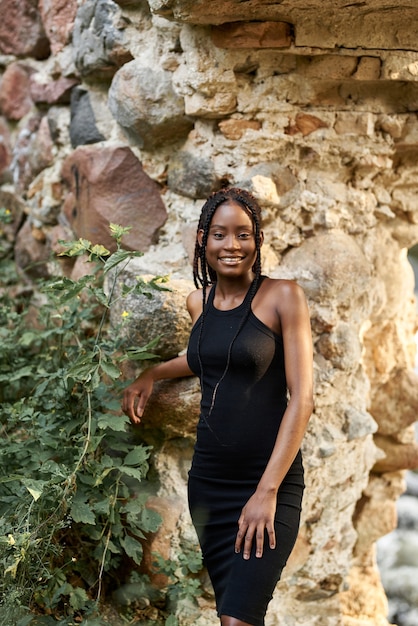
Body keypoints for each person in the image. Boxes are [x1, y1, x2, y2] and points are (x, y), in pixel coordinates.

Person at [122, 187, 313, 626]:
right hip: (209, 481)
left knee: (238, 619)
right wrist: (152, 374)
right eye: (220, 235)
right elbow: (204, 355)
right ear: (203, 241)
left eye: (243, 235)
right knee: (232, 614)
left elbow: (303, 398)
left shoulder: (284, 297)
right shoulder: (198, 302)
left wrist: (265, 493)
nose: (232, 246)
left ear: (257, 241)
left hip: (269, 483)